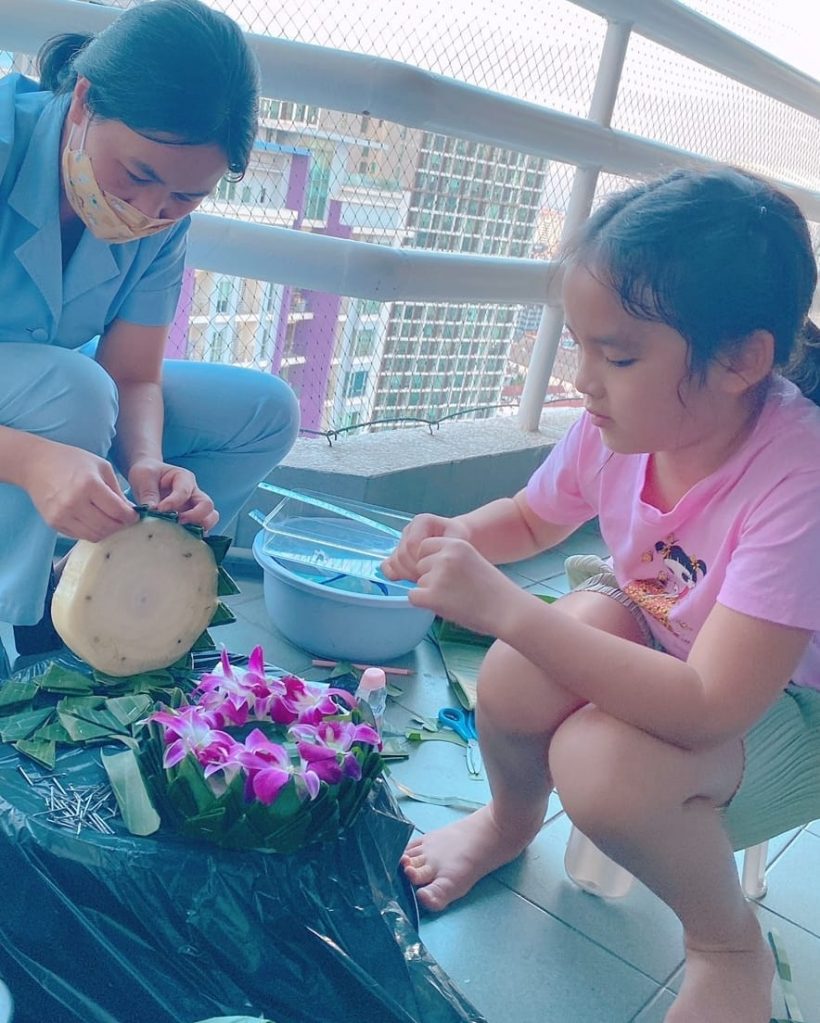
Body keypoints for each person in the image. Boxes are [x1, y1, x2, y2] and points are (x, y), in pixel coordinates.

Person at [382, 167, 820, 1023]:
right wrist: (461, 533)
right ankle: (510, 821)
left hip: (782, 705)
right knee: (513, 676)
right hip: (669, 631)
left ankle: (727, 944)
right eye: (579, 344)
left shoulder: (799, 479)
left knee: (599, 761)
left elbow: (709, 703)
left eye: (617, 355)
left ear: (741, 361)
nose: (583, 379)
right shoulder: (620, 425)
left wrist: (508, 607)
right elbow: (531, 517)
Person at [0, 0, 300, 656]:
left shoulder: (163, 220)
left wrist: (147, 464)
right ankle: (17, 620)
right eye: (138, 175)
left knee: (264, 411)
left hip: (59, 396)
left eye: (186, 197)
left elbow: (134, 374)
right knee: (72, 389)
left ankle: (114, 591)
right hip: (51, 403)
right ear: (83, 101)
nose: (148, 211)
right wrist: (28, 459)